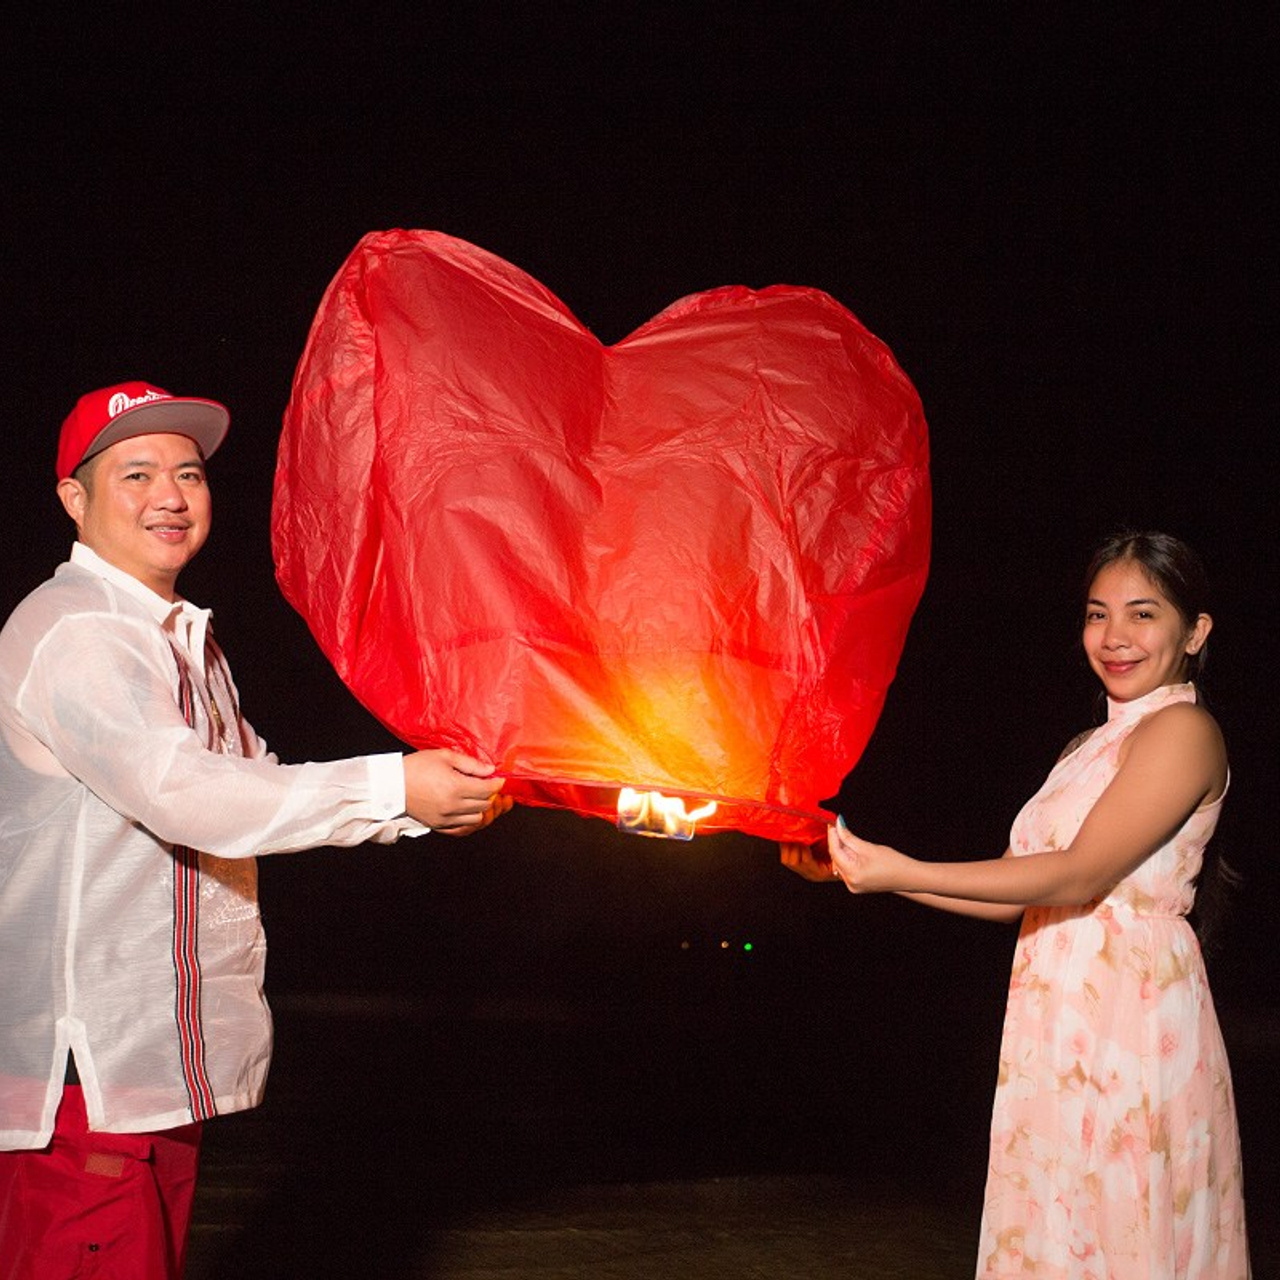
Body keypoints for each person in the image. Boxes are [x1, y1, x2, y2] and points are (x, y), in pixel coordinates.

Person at [0, 381, 512, 1278]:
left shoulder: (180, 640)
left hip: (142, 1074)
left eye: (190, 473)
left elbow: (256, 785)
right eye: (137, 474)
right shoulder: (80, 631)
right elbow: (186, 793)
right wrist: (395, 784)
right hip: (81, 1083)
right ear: (73, 499)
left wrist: (423, 797)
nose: (172, 495)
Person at [782, 531, 1250, 1278]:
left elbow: (1074, 877)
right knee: (1056, 1221)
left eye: (1143, 614)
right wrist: (863, 870)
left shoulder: (1185, 731)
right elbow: (1015, 891)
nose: (1115, 637)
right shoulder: (1083, 747)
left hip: (1130, 1024)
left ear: (1194, 631)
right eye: (1098, 615)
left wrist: (904, 868)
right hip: (1054, 1017)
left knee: (1121, 1224)